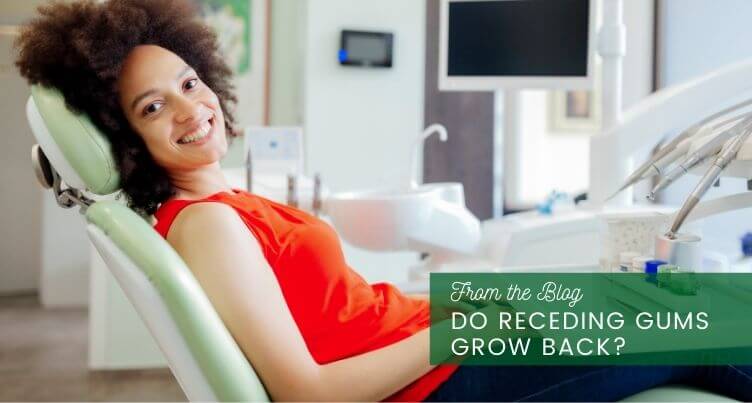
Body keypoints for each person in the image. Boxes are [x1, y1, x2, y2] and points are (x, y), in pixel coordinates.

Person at [14, 0, 752, 401]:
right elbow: (307, 392)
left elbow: (337, 311)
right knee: (710, 329)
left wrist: (454, 311)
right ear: (127, 141)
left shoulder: (226, 199)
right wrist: (459, 332)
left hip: (435, 332)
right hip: (441, 374)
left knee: (673, 299)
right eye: (152, 108)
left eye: (186, 81)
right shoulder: (206, 226)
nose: (189, 106)